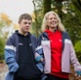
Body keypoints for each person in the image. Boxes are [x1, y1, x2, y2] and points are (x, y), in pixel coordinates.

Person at [35, 11, 81, 80]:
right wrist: (38, 58)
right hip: (49, 74)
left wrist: (78, 68)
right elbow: (37, 52)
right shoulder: (43, 36)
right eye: (50, 19)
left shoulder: (64, 35)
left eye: (55, 18)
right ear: (47, 22)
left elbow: (71, 53)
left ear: (58, 20)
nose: (53, 20)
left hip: (64, 74)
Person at [4, 13, 42, 80]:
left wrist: (39, 69)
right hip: (18, 77)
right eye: (25, 23)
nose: (27, 25)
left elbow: (40, 55)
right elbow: (9, 57)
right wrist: (16, 69)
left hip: (35, 76)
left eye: (29, 23)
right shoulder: (12, 39)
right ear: (19, 23)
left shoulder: (34, 39)